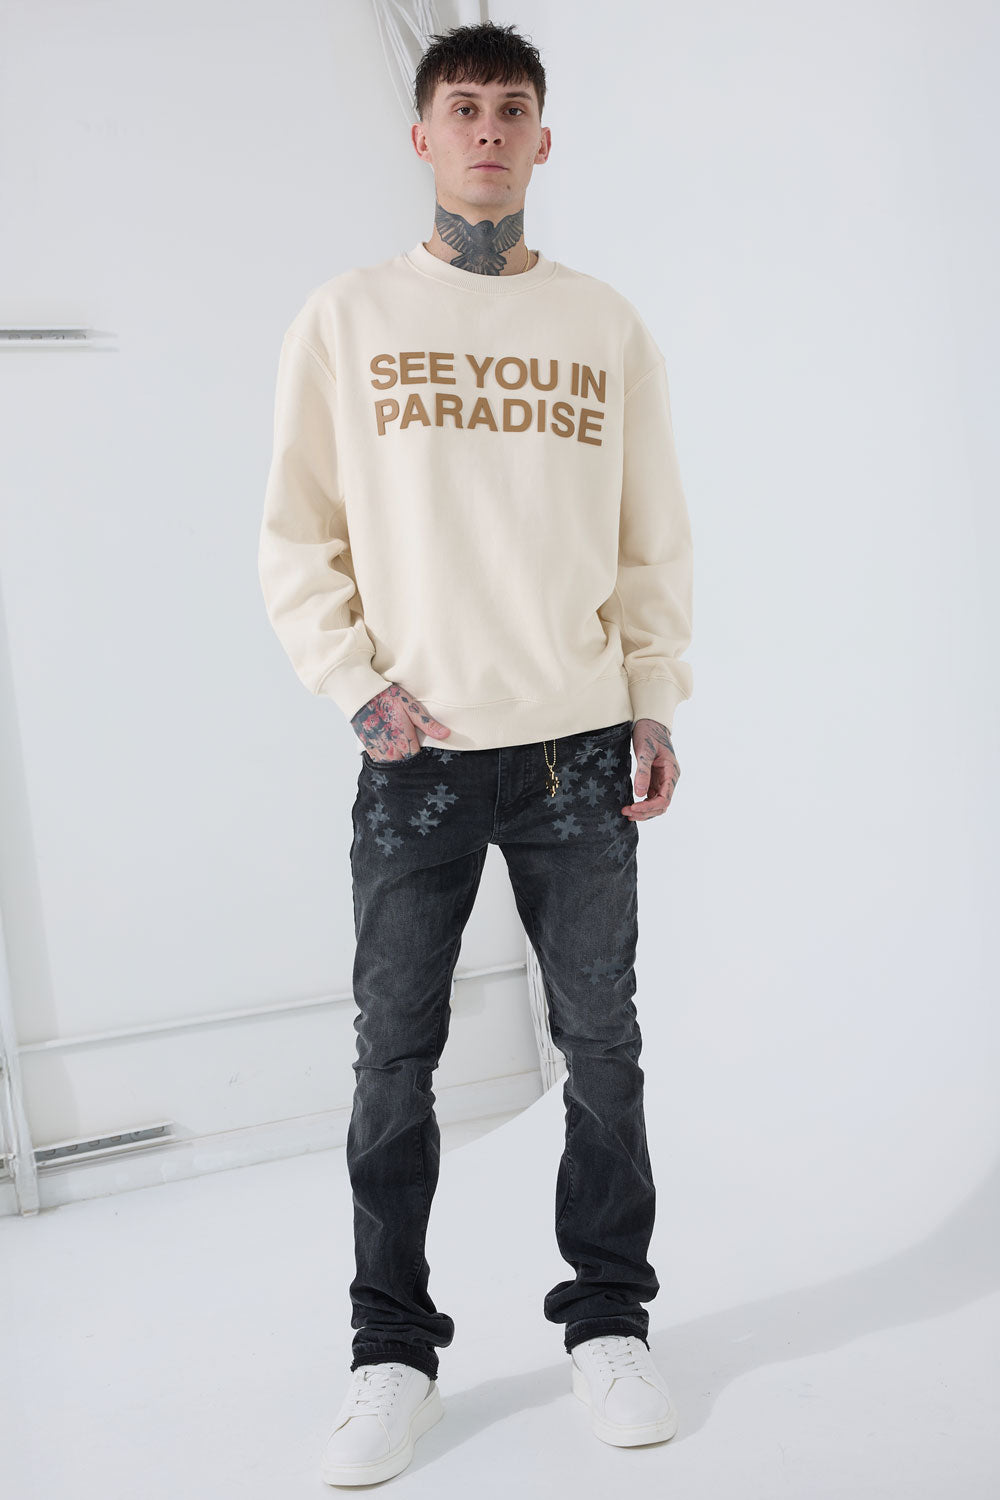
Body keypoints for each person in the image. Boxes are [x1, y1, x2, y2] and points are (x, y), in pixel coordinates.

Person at [258, 19, 692, 1487]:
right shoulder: (349, 318)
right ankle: (391, 1354)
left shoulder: (604, 324)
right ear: (423, 137)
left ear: (544, 140)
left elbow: (651, 536)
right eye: (464, 109)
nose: (488, 131)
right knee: (395, 1058)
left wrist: (651, 698)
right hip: (421, 752)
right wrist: (354, 685)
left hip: (578, 746)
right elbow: (297, 532)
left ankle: (610, 1323)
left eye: (512, 109)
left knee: (602, 1049)